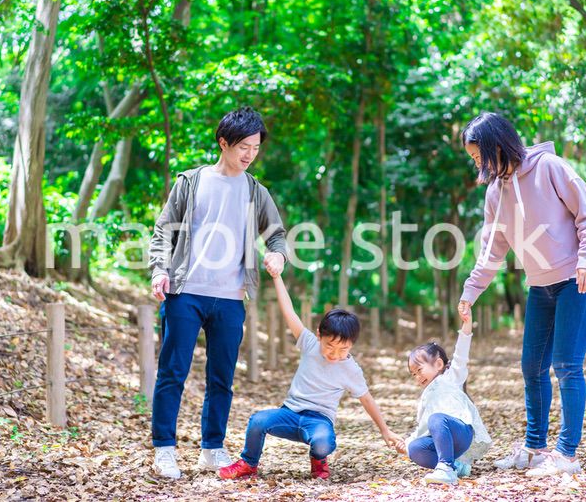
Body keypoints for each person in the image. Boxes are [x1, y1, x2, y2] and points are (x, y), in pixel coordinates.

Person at [457, 112, 586, 476]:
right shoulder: (496, 192)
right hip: (540, 286)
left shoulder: (551, 167)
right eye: (473, 158)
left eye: (478, 155)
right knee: (532, 367)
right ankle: (535, 448)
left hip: (578, 279)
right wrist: (470, 291)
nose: (477, 163)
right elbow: (492, 250)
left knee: (567, 365)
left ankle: (567, 455)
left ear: (496, 145)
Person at [147, 107, 288, 479]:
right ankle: (164, 449)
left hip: (230, 298)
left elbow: (276, 234)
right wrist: (159, 270)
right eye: (243, 147)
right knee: (172, 372)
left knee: (221, 377)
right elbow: (162, 230)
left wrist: (277, 254)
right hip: (185, 292)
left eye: (255, 148)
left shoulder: (256, 191)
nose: (249, 155)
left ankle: (211, 448)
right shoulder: (191, 182)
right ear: (223, 143)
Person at [218, 273, 403, 480]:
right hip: (290, 413)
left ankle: (318, 461)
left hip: (319, 420)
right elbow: (289, 312)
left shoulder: (351, 369)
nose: (334, 354)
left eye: (343, 349)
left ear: (352, 345)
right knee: (257, 421)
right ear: (319, 335)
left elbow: (367, 399)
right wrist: (278, 277)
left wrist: (385, 431)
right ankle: (248, 463)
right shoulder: (309, 344)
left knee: (323, 442)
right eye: (329, 346)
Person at [395, 312, 492, 485]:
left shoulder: (452, 377)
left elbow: (461, 353)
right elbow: (423, 426)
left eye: (420, 370)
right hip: (441, 440)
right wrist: (407, 443)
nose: (417, 377)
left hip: (460, 433)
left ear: (438, 364)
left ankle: (446, 468)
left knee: (437, 419)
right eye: (413, 374)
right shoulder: (427, 396)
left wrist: (467, 324)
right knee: (415, 449)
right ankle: (456, 467)